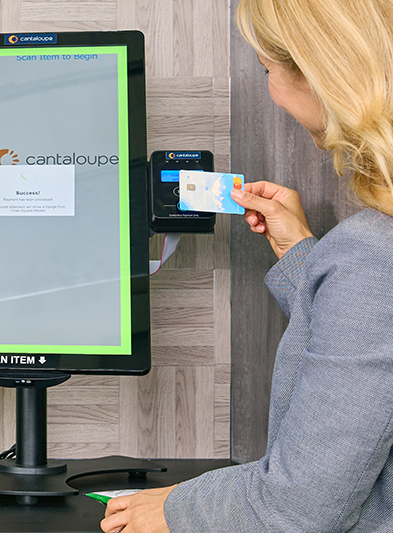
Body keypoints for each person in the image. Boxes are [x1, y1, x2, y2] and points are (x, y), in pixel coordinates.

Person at [100, 0, 393, 531]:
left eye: (266, 70)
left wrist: (173, 508)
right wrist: (306, 255)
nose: (271, 91)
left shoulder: (372, 255)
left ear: (318, 72)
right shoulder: (371, 256)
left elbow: (296, 508)